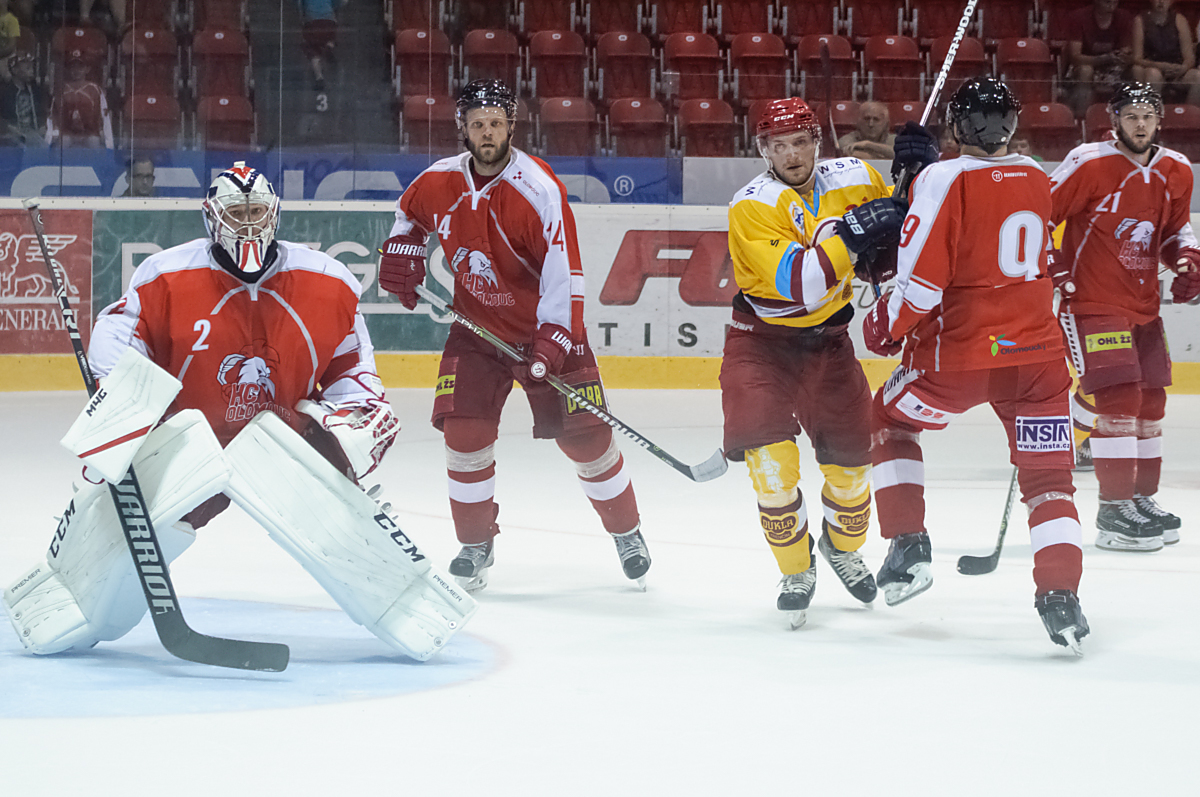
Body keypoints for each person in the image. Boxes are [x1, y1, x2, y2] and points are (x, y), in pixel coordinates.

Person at [4, 162, 473, 662]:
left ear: (274, 214)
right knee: (127, 527)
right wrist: (124, 401)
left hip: (281, 442)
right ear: (213, 217)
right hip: (188, 440)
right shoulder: (165, 274)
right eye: (236, 213)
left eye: (255, 212)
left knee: (335, 515)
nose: (248, 224)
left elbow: (353, 369)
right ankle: (70, 602)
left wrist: (352, 422)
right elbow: (118, 333)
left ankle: (411, 605)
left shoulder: (327, 281)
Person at [376, 79, 650, 593]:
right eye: (477, 124)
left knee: (588, 440)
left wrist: (552, 341)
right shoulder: (438, 180)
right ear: (463, 128)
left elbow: (564, 274)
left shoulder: (539, 188)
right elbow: (408, 215)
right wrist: (403, 249)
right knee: (464, 436)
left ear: (511, 127)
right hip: (475, 332)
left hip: (546, 333)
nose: (487, 133)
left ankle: (627, 532)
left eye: (496, 123)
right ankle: (475, 544)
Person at [851, 77, 1089, 653]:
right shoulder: (1035, 173)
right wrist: (921, 181)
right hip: (1037, 362)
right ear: (1012, 125)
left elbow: (921, 285)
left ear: (958, 126)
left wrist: (883, 327)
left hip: (958, 359)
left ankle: (908, 545)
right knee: (1049, 482)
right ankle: (1061, 597)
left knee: (888, 422)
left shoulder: (943, 178)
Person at [719, 97, 930, 628]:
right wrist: (855, 233)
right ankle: (796, 569)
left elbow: (900, 242)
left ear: (818, 142)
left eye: (799, 142)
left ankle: (840, 547)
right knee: (772, 472)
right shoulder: (751, 205)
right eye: (778, 146)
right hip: (761, 348)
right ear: (764, 151)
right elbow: (801, 283)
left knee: (853, 472)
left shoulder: (855, 176)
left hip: (830, 347)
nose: (791, 155)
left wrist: (918, 179)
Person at [1048, 82, 1199, 552]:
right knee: (1118, 397)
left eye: (1148, 116)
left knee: (1151, 401)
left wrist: (1187, 259)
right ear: (1114, 119)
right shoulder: (1088, 161)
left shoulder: (1176, 169)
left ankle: (1140, 498)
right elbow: (1038, 215)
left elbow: (1175, 229)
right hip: (1091, 300)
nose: (1140, 124)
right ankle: (1113, 511)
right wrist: (1051, 265)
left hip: (1143, 304)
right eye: (1131, 115)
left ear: (1159, 121)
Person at [1066, 0, 1135, 118]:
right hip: (1084, 66)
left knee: (1135, 71)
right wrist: (1102, 59)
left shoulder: (1124, 17)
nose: (1111, 2)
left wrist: (1122, 56)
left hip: (1114, 67)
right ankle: (1082, 118)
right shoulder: (1078, 17)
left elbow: (1126, 51)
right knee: (1085, 70)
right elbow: (1075, 56)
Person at [1131, 0, 1200, 106]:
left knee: (1198, 76)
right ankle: (1153, 112)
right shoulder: (1140, 20)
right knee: (1154, 74)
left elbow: (1189, 58)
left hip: (1176, 68)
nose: (1161, 2)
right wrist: (1160, 65)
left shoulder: (1180, 20)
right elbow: (1137, 58)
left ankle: (1189, 113)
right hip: (1151, 66)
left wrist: (1182, 68)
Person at [47, 49, 113, 148]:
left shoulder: (94, 89)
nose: (76, 70)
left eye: (80, 67)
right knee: (63, 143)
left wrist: (108, 142)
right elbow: (53, 115)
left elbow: (104, 115)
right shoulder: (62, 89)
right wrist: (52, 134)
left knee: (94, 142)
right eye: (73, 67)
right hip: (67, 133)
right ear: (68, 69)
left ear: (87, 69)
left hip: (90, 134)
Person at [0, 51, 45, 146]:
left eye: (32, 68)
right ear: (15, 70)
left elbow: (43, 112)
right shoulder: (4, 92)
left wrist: (42, 126)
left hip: (34, 135)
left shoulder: (36, 91)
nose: (32, 71)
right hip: (11, 138)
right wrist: (9, 129)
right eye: (27, 68)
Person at [299, 0, 340, 92]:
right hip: (329, 19)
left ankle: (319, 77)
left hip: (312, 21)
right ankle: (329, 46)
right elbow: (340, 2)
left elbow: (298, 4)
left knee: (313, 51)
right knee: (330, 36)